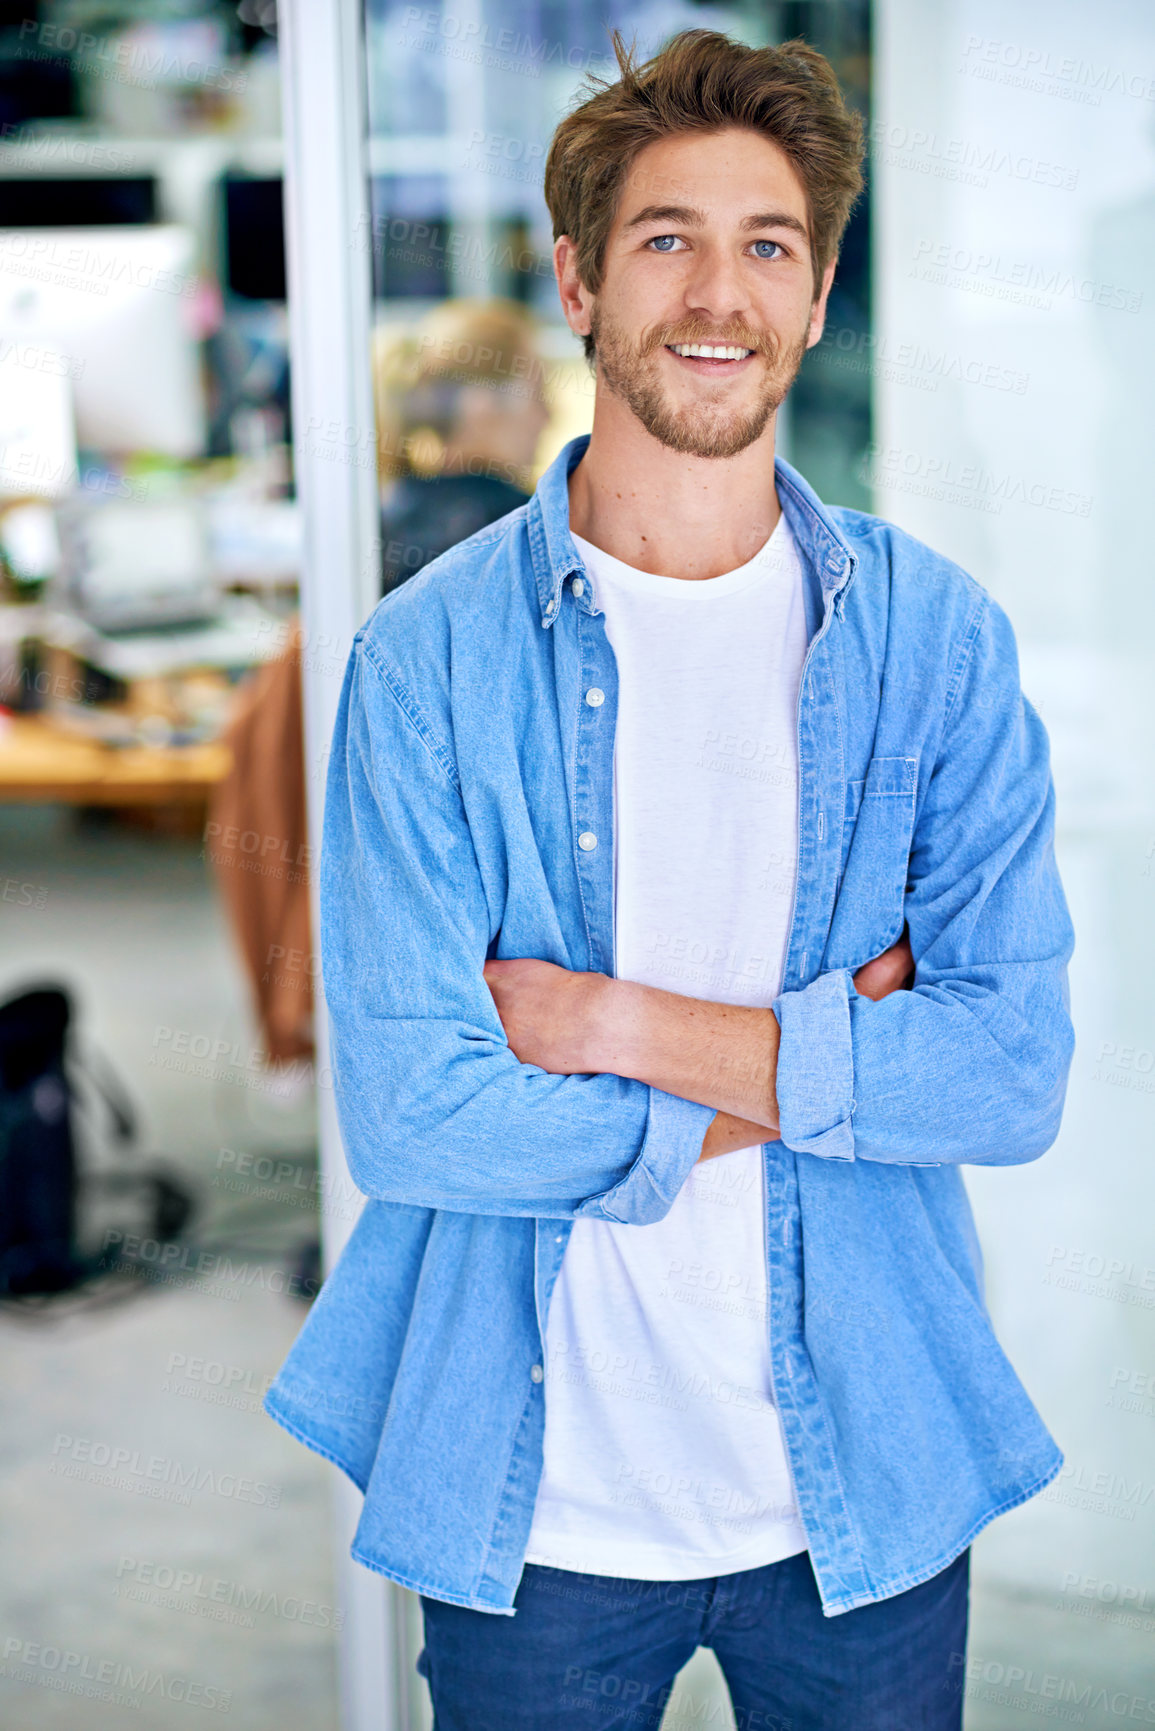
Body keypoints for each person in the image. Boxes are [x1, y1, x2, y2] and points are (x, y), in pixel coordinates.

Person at [265, 29, 1075, 1731]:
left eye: (766, 244)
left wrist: (612, 1023)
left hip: (865, 1476)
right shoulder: (424, 668)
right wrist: (821, 1063)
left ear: (820, 290)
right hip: (542, 1501)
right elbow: (418, 1118)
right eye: (665, 240)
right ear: (575, 280)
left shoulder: (934, 645)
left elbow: (1008, 1073)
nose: (720, 292)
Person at [372, 298, 551, 595]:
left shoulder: (387, 515)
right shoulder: (530, 530)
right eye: (538, 395)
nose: (548, 417)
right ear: (480, 406)